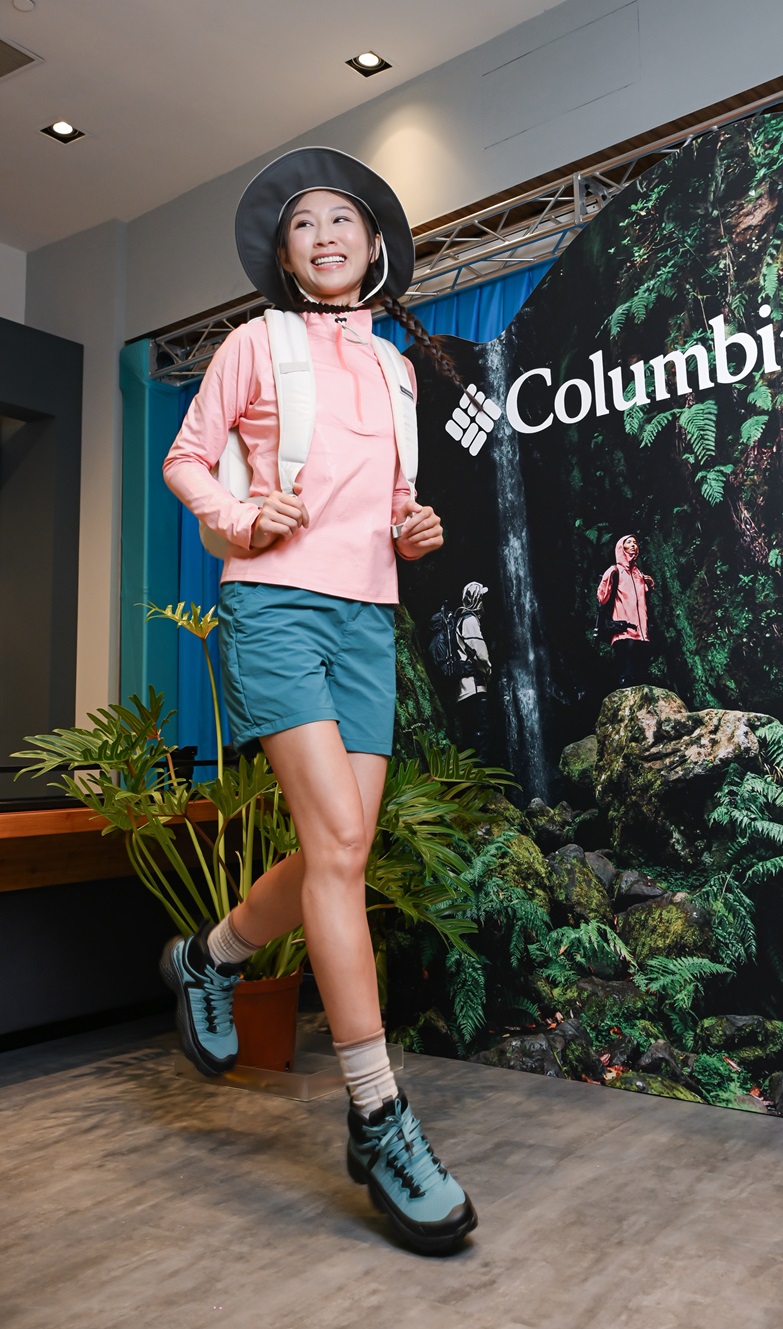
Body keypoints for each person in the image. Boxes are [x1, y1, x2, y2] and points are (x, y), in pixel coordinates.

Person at [159, 146, 476, 1254]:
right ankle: (379, 1116)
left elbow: (391, 507)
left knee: (343, 849)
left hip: (366, 620)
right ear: (286, 257)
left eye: (345, 220)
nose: (327, 236)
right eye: (306, 225)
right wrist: (241, 518)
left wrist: (413, 528)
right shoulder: (257, 344)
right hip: (276, 610)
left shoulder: (395, 368)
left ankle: (210, 956)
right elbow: (189, 460)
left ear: (374, 245)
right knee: (338, 844)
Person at [596, 534, 654, 687]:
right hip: (624, 631)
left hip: (642, 634)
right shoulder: (615, 571)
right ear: (621, 548)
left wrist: (649, 585)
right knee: (627, 676)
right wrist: (608, 578)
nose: (633, 545)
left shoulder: (639, 575)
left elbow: (642, 601)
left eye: (635, 542)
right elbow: (602, 598)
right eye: (629, 542)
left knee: (642, 677)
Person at [454, 581, 491, 758]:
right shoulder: (470, 621)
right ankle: (479, 768)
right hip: (473, 688)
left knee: (472, 733)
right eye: (481, 598)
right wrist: (488, 672)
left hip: (464, 689)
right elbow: (480, 655)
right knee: (481, 732)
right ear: (477, 599)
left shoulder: (461, 619)